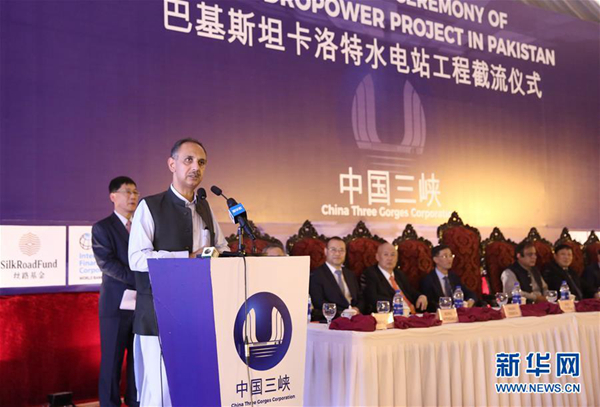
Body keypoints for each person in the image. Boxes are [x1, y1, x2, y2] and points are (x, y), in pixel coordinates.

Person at [128, 139, 228, 406]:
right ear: (172, 164)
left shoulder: (205, 207)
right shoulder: (150, 206)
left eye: (201, 162)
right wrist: (187, 258)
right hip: (159, 315)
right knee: (160, 392)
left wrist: (219, 255)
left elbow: (221, 246)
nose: (196, 167)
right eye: (188, 160)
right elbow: (136, 258)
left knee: (193, 387)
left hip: (197, 314)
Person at [92, 176, 139, 407]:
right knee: (111, 361)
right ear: (113, 196)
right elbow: (107, 264)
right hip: (115, 305)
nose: (132, 196)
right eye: (127, 192)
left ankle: (135, 400)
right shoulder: (102, 227)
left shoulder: (142, 226)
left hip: (141, 305)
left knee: (137, 360)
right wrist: (140, 280)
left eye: (135, 192)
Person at [362, 242, 427, 314]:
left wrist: (421, 296)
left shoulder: (399, 274)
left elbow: (410, 291)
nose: (390, 258)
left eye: (393, 255)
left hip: (412, 314)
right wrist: (398, 305)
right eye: (386, 254)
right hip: (391, 315)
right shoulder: (370, 274)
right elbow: (372, 298)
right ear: (377, 257)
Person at [309, 237, 364, 320]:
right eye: (333, 250)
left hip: (355, 318)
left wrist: (357, 309)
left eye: (341, 250)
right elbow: (318, 302)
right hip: (333, 319)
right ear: (325, 251)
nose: (337, 253)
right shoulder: (316, 275)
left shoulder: (350, 274)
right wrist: (342, 313)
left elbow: (360, 297)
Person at [420, 244, 478, 312]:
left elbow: (469, 293)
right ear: (435, 259)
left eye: (451, 256)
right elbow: (430, 303)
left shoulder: (453, 277)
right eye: (445, 256)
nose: (449, 259)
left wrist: (470, 301)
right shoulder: (428, 279)